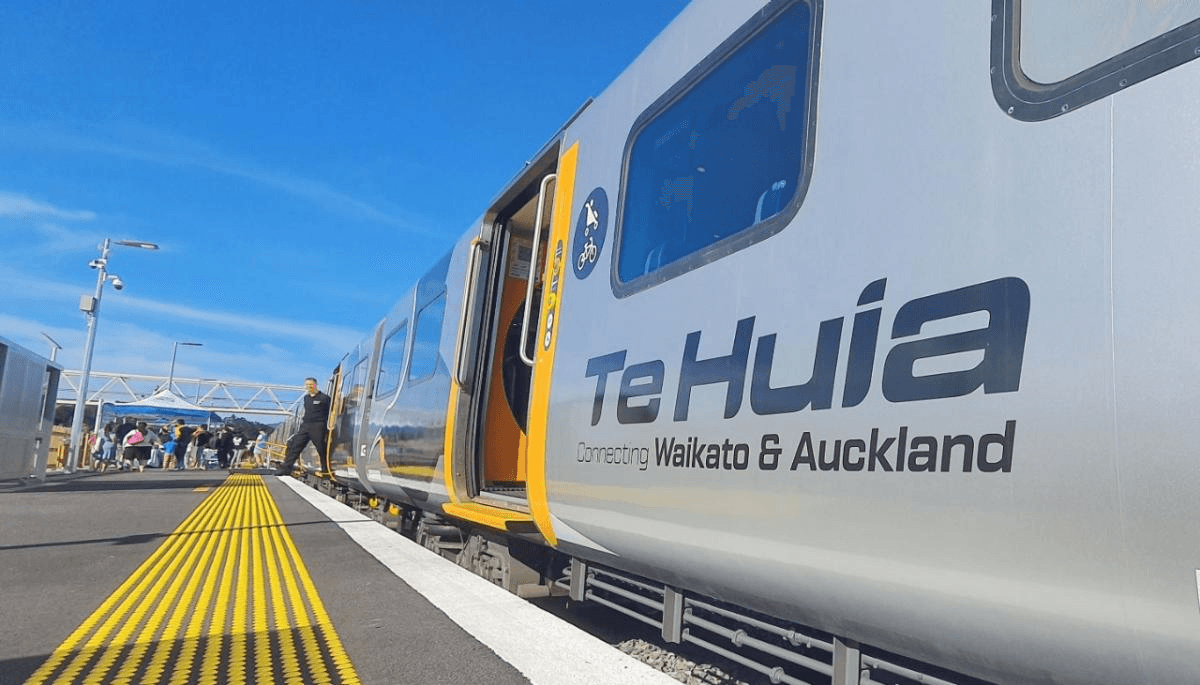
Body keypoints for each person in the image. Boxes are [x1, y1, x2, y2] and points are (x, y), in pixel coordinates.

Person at [276, 377, 330, 476]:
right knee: (295, 445)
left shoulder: (324, 398)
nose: (309, 386)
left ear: (315, 385)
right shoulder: (306, 398)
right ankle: (286, 468)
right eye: (307, 385)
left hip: (318, 426)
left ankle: (325, 469)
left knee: (321, 448)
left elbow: (330, 412)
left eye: (311, 384)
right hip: (305, 426)